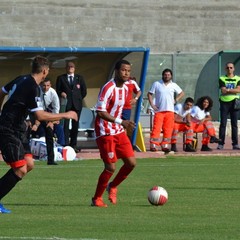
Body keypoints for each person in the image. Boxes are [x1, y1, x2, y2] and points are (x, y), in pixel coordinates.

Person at [0, 56, 77, 214]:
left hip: (19, 129)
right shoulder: (33, 87)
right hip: (8, 129)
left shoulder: (21, 79)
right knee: (20, 169)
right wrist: (65, 115)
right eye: (48, 71)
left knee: (29, 164)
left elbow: (2, 91)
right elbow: (41, 116)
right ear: (44, 71)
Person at [91, 59, 136, 207]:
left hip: (118, 130)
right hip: (105, 131)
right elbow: (100, 111)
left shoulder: (126, 89)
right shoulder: (108, 87)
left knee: (131, 163)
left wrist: (126, 123)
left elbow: (124, 108)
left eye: (128, 71)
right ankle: (97, 198)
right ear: (116, 71)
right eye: (123, 70)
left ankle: (113, 186)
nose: (126, 73)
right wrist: (121, 122)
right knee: (110, 167)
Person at [147, 68, 184, 153]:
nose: (167, 76)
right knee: (156, 128)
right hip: (159, 110)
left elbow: (181, 93)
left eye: (168, 75)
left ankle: (165, 145)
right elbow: (149, 94)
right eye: (165, 75)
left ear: (171, 76)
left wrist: (176, 100)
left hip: (170, 110)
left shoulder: (173, 85)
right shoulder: (157, 84)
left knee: (168, 129)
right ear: (162, 75)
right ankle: (153, 144)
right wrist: (152, 105)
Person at [31, 78, 65, 165]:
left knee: (49, 135)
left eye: (47, 86)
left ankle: (51, 160)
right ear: (41, 85)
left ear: (50, 86)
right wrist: (36, 123)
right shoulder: (37, 92)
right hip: (37, 114)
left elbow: (56, 109)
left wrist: (51, 122)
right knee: (32, 131)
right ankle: (28, 156)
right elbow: (37, 108)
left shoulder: (53, 93)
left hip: (49, 116)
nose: (45, 88)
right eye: (44, 86)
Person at [56, 61, 87, 153]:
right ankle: (65, 143)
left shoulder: (79, 78)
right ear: (66, 68)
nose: (70, 68)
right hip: (66, 105)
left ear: (74, 68)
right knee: (65, 124)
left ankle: (73, 145)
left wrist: (78, 98)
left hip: (76, 105)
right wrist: (61, 93)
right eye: (69, 67)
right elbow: (58, 89)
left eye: (72, 67)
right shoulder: (61, 78)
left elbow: (84, 91)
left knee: (75, 125)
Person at [218, 62, 240, 150]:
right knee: (223, 123)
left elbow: (238, 90)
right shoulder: (222, 78)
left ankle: (235, 144)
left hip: (235, 102)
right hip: (224, 102)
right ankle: (220, 143)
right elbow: (223, 91)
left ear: (234, 69)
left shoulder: (238, 78)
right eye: (227, 68)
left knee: (234, 124)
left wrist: (228, 90)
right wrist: (233, 90)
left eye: (231, 68)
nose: (229, 69)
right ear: (225, 69)